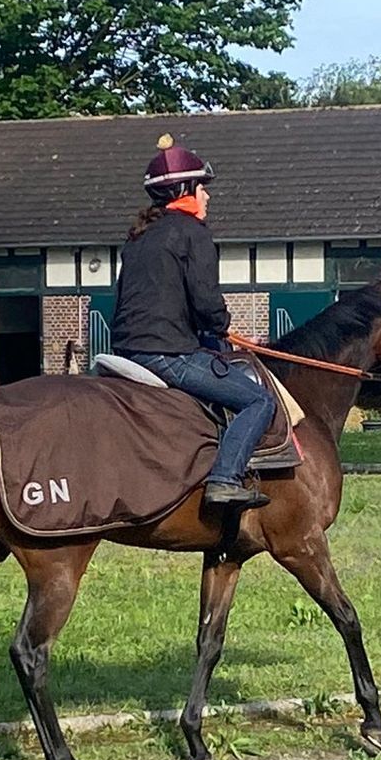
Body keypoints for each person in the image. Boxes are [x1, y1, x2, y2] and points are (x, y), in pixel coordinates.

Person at [111, 135, 277, 511]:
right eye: (203, 188)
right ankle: (224, 479)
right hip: (167, 353)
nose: (208, 196)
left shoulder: (139, 236)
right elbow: (206, 303)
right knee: (258, 401)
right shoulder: (192, 232)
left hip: (127, 351)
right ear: (186, 189)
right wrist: (223, 327)